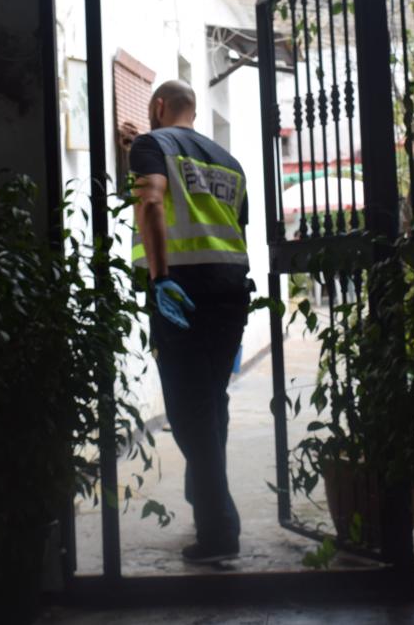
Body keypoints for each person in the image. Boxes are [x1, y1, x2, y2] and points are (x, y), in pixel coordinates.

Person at [129, 80, 251, 564]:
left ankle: (220, 530)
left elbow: (153, 201)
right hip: (230, 292)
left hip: (180, 293)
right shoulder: (228, 160)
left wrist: (159, 279)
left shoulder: (151, 144)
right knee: (210, 403)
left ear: (158, 107)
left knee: (187, 411)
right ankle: (205, 502)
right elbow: (234, 226)